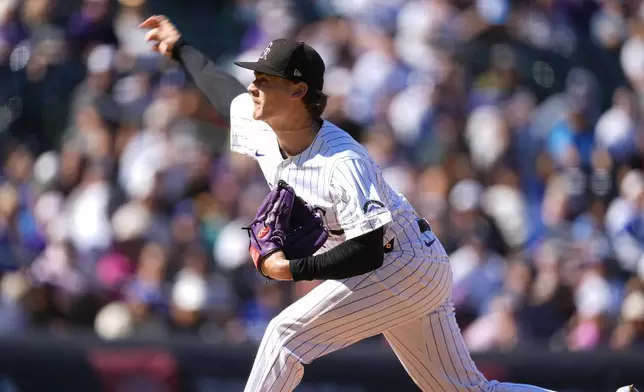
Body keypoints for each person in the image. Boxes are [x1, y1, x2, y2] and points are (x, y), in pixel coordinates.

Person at [139, 15, 630, 392]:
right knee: (462, 389)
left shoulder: (341, 159)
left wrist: (294, 269)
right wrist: (180, 47)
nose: (253, 86)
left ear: (298, 90)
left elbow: (369, 251)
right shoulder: (263, 123)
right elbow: (223, 90)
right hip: (411, 260)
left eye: (264, 79)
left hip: (399, 262)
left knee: (285, 336)